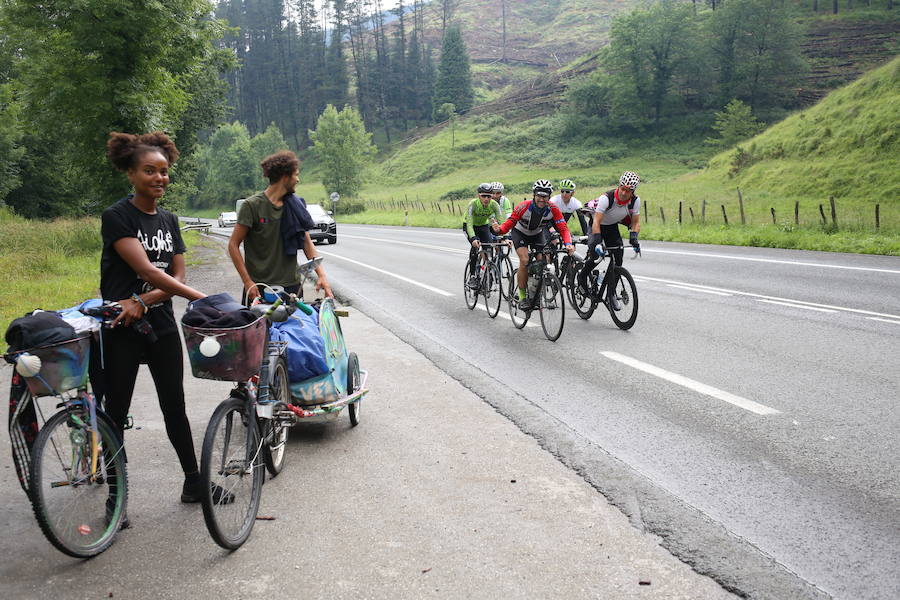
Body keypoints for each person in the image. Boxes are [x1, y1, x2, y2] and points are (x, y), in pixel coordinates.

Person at [102, 131, 219, 508]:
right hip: (122, 326)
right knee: (115, 411)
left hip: (162, 325)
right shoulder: (117, 216)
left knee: (175, 406)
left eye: (164, 171)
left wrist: (143, 298)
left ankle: (193, 483)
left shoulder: (168, 220)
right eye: (149, 171)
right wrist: (209, 301)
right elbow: (150, 270)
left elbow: (175, 277)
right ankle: (115, 498)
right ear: (132, 174)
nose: (159, 178)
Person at [228, 150, 333, 304]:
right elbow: (233, 245)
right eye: (295, 175)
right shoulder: (252, 206)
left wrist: (322, 276)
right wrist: (247, 282)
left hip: (292, 287)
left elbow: (306, 242)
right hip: (259, 287)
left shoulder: (295, 205)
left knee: (294, 327)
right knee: (261, 329)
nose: (298, 179)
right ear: (285, 177)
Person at [492, 180, 574, 309]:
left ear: (549, 197)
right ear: (534, 195)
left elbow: (563, 228)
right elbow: (510, 223)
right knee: (524, 260)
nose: (542, 199)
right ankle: (523, 297)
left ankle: (535, 294)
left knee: (542, 263)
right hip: (520, 233)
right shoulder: (524, 206)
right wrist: (499, 230)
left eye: (545, 196)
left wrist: (568, 243)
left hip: (537, 234)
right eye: (539, 195)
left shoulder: (552, 208)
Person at [583, 171, 642, 310]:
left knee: (618, 260)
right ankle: (581, 278)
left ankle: (611, 294)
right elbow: (596, 221)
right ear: (619, 186)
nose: (623, 193)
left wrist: (634, 238)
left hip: (611, 227)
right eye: (622, 188)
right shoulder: (607, 198)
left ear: (632, 191)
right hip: (596, 226)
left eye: (627, 191)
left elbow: (635, 222)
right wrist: (597, 242)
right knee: (596, 256)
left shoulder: (635, 201)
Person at [464, 183, 504, 289]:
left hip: (483, 226)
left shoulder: (494, 205)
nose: (486, 198)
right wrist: (473, 238)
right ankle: (472, 276)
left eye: (489, 196)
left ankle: (486, 272)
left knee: (489, 248)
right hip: (470, 226)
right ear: (478, 196)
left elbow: (502, 223)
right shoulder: (473, 204)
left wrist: (505, 236)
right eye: (483, 196)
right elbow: (469, 223)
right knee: (475, 247)